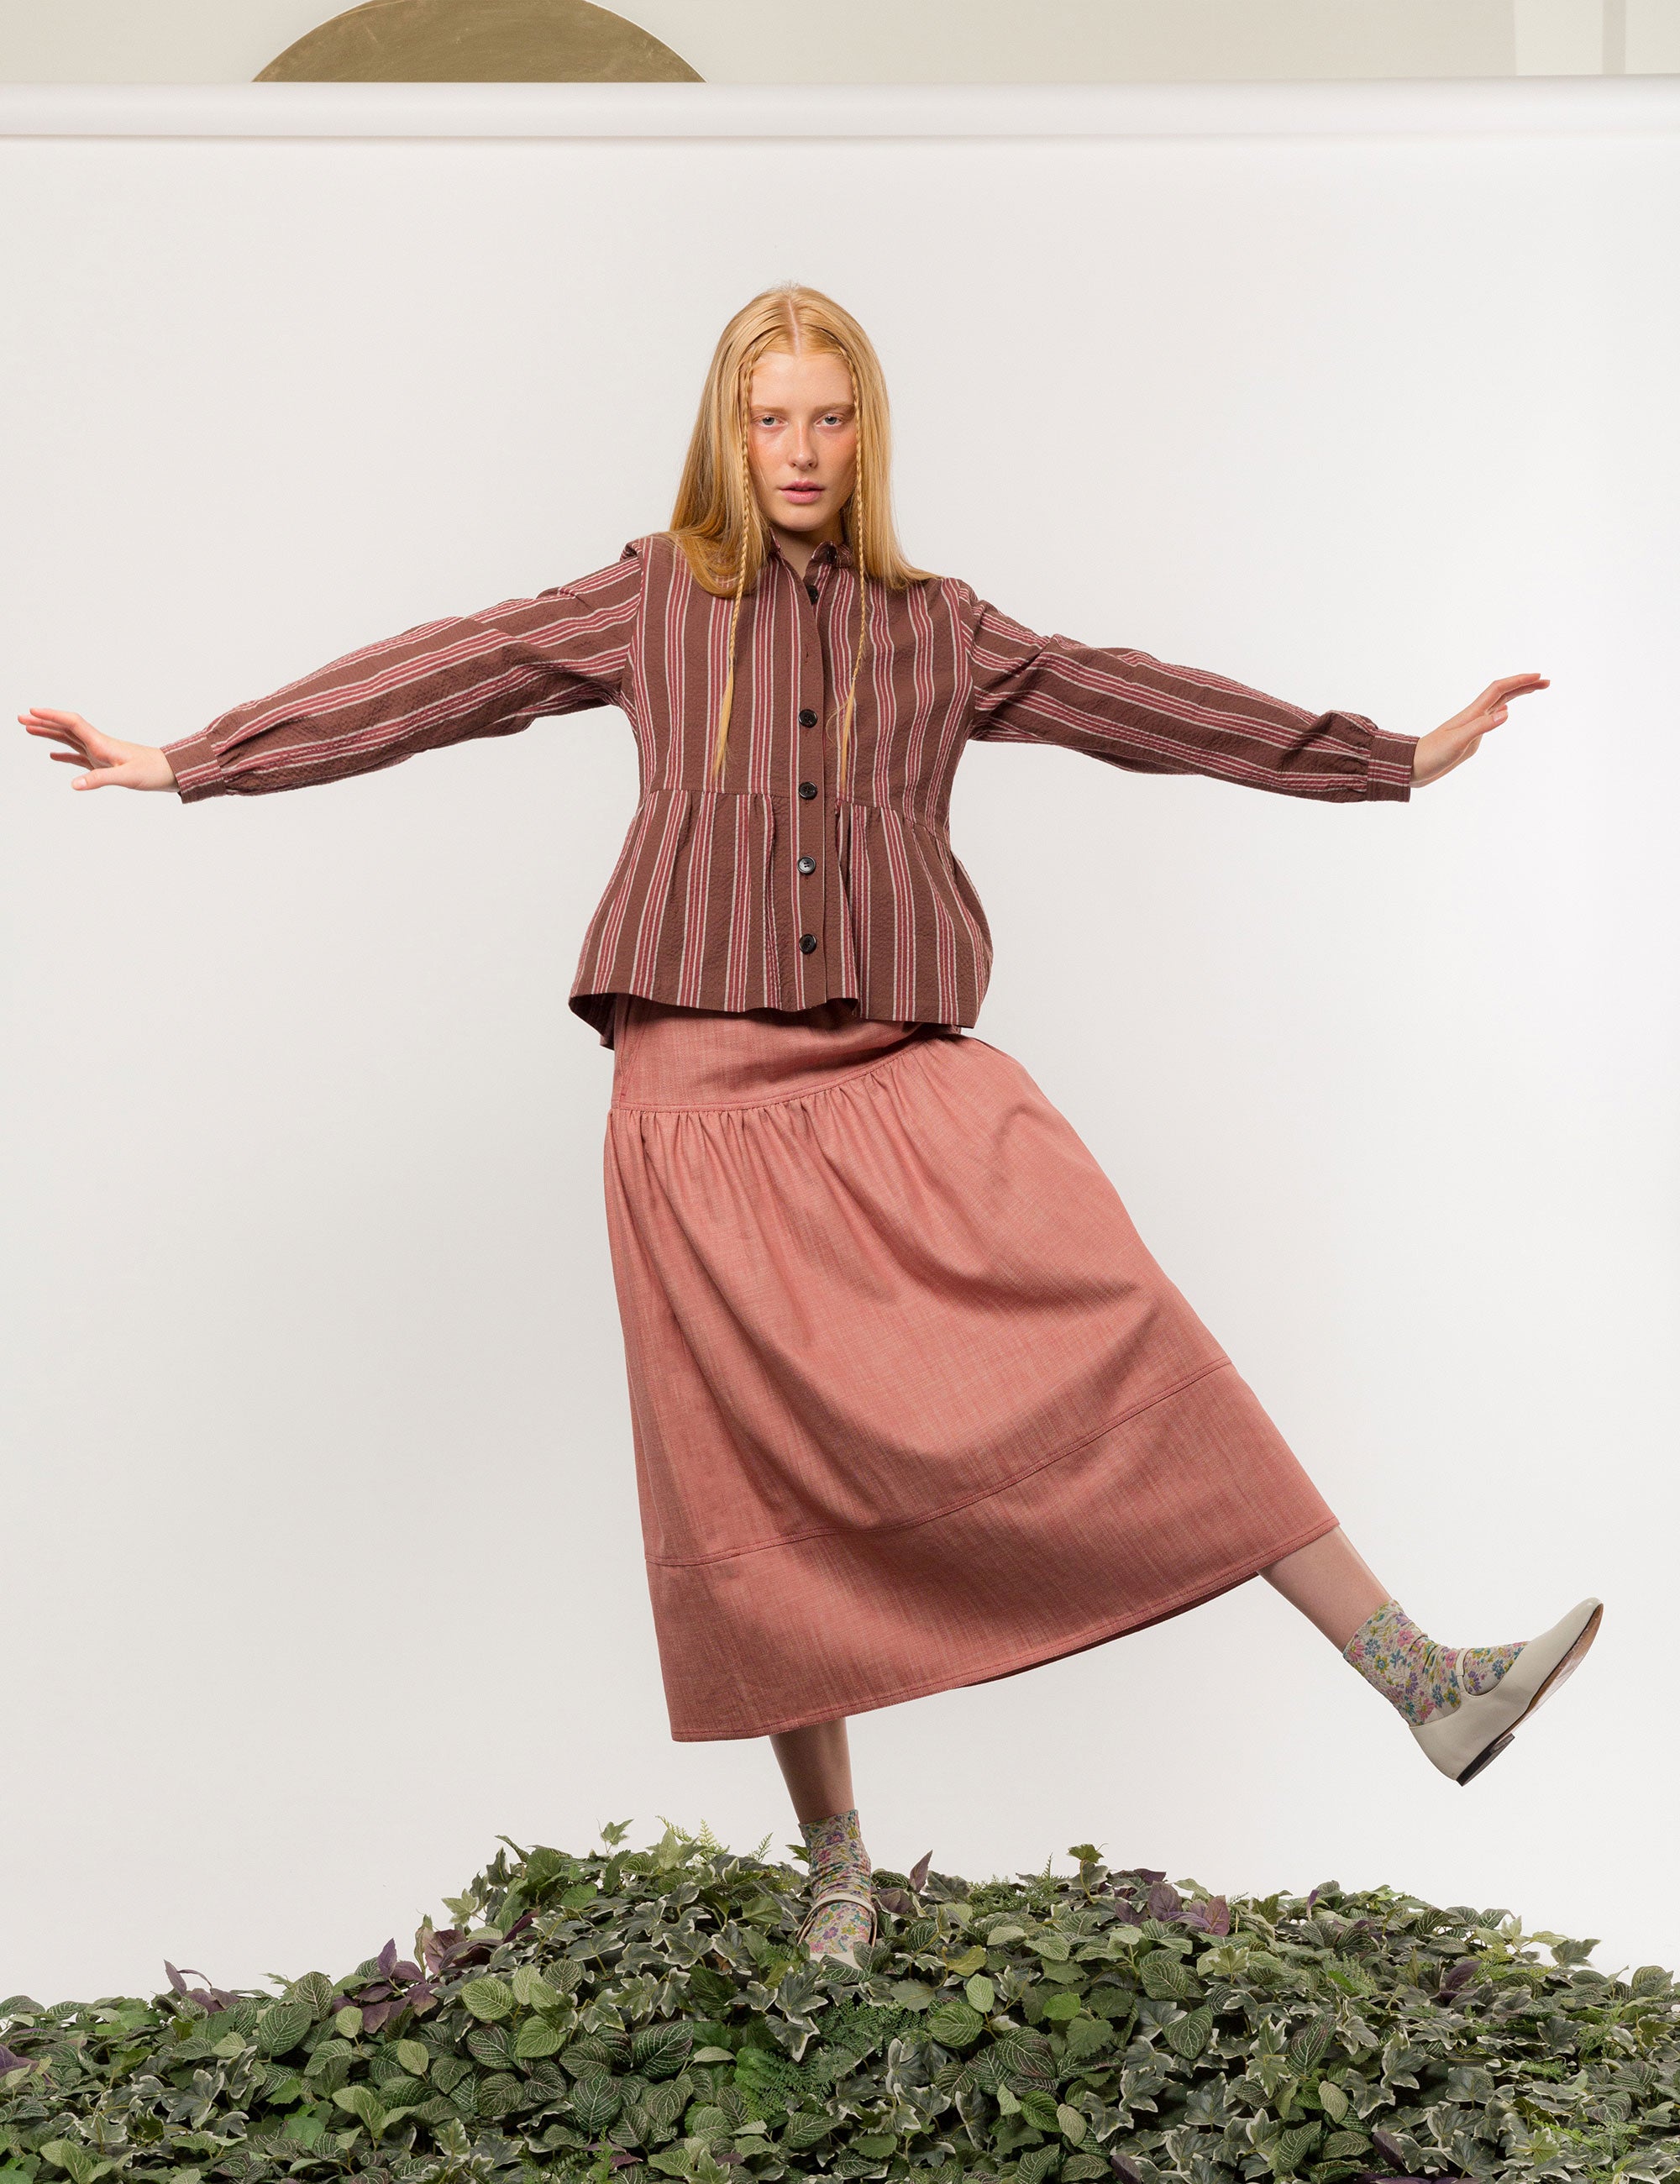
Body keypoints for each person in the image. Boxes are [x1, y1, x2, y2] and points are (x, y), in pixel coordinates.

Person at [20, 282, 1601, 1971]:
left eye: (827, 418)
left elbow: (1132, 701)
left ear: (867, 432)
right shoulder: (647, 598)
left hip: (895, 1065)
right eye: (769, 417)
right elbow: (449, 673)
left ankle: (1417, 1677)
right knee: (750, 1474)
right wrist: (196, 759)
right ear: (727, 426)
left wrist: (1384, 760)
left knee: (1128, 1324)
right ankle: (834, 1858)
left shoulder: (940, 627)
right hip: (691, 1097)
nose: (797, 450)